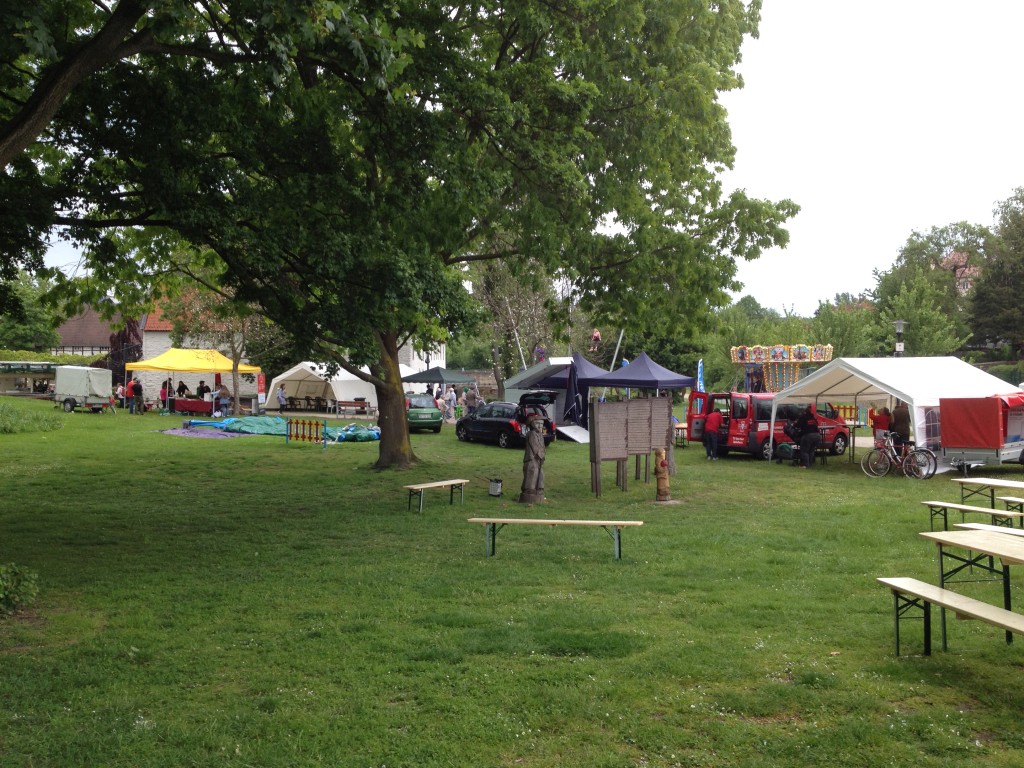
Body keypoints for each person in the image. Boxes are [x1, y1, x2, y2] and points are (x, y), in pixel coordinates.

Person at [518, 414, 546, 504]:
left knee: (541, 473)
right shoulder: (531, 434)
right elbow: (535, 447)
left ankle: (539, 488)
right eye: (537, 424)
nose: (540, 426)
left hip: (539, 458)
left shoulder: (540, 435)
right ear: (532, 424)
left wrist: (543, 455)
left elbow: (543, 446)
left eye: (541, 424)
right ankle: (529, 489)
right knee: (532, 471)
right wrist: (540, 455)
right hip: (531, 458)